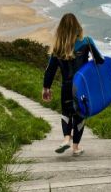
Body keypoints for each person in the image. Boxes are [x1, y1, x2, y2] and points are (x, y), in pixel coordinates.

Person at [42, 13, 104, 156]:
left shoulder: (58, 47)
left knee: (66, 113)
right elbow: (100, 60)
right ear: (78, 27)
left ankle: (66, 139)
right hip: (82, 86)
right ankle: (76, 147)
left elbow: (50, 71)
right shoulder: (87, 42)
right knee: (80, 115)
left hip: (66, 87)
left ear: (60, 29)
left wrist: (46, 88)